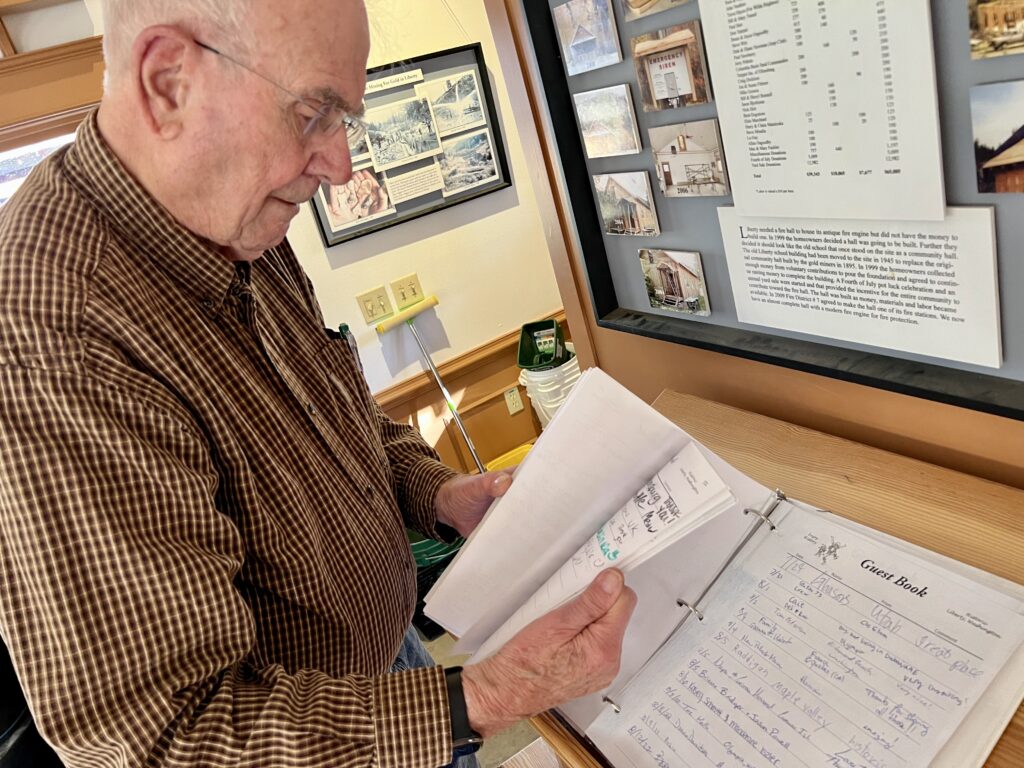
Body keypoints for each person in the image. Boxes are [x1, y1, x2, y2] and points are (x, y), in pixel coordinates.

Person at [0, 1, 637, 767]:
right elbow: (164, 740)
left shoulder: (228, 214)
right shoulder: (57, 337)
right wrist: (488, 697)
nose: (339, 166)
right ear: (167, 81)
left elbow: (333, 409)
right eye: (312, 113)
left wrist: (433, 490)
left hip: (392, 673)